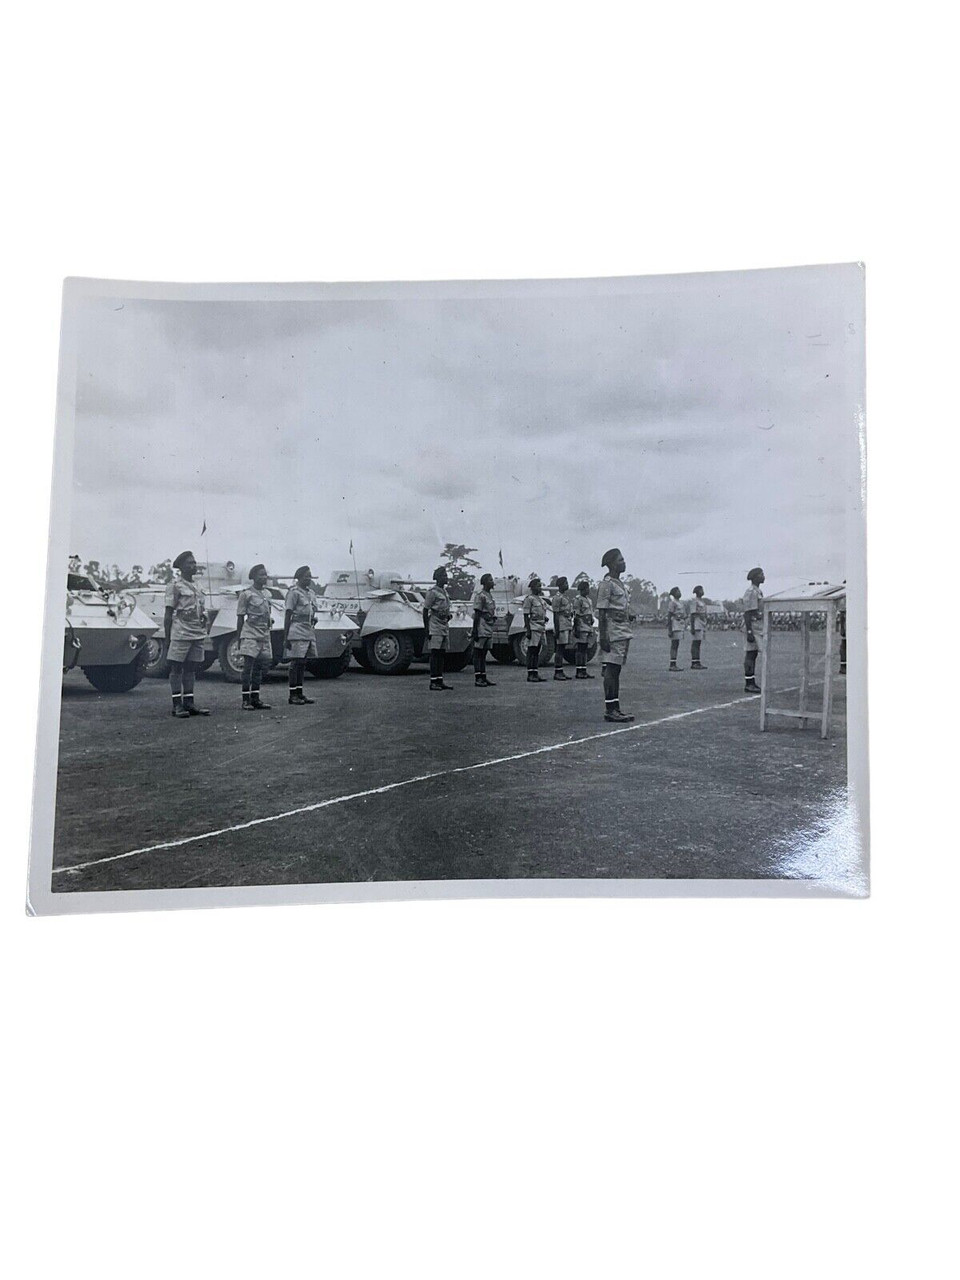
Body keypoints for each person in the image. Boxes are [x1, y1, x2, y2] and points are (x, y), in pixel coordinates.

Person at [164, 551, 211, 718]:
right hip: (181, 632)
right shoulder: (175, 585)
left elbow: (201, 608)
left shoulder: (198, 586)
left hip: (197, 632)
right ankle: (177, 705)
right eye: (189, 563)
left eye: (194, 562)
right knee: (176, 667)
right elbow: (168, 614)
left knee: (191, 668)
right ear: (181, 567)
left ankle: (189, 703)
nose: (193, 566)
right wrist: (167, 639)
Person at [597, 548, 636, 722]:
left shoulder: (620, 584)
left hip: (622, 629)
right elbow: (602, 612)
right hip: (612, 631)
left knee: (616, 669)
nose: (624, 562)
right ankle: (610, 710)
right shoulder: (607, 584)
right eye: (620, 560)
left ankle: (615, 708)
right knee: (611, 670)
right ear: (612, 564)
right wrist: (603, 636)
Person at [236, 564, 273, 710]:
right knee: (248, 667)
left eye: (265, 574)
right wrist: (239, 638)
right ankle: (246, 699)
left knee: (259, 667)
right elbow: (240, 617)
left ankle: (256, 698)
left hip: (263, 634)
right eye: (261, 575)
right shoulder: (246, 595)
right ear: (253, 577)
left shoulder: (267, 594)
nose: (264, 577)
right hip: (250, 633)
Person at [283, 565, 318, 706]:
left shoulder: (311, 593)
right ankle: (292, 695)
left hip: (308, 631)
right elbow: (288, 614)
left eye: (310, 576)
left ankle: (300, 692)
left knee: (303, 663)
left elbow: (312, 610)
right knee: (296, 663)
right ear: (298, 577)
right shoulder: (294, 593)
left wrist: (313, 619)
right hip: (296, 630)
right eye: (306, 576)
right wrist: (286, 637)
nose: (308, 578)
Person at [423, 566, 453, 691]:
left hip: (444, 625)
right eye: (444, 575)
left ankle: (439, 680)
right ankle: (433, 681)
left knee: (441, 654)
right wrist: (427, 629)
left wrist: (448, 615)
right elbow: (425, 610)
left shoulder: (444, 592)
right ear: (438, 578)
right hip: (435, 625)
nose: (446, 577)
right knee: (435, 654)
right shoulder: (432, 592)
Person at [471, 572, 497, 688]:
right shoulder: (480, 595)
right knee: (478, 653)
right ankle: (478, 678)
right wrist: (475, 630)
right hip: (481, 626)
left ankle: (483, 676)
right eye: (490, 580)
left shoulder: (489, 595)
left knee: (484, 653)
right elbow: (477, 614)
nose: (492, 582)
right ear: (485, 582)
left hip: (489, 626)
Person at [742, 567, 765, 693]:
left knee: (753, 654)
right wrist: (749, 631)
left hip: (757, 626)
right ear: (755, 577)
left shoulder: (758, 591)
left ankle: (751, 682)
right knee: (750, 654)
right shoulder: (751, 592)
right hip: (752, 626)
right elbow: (747, 613)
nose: (763, 576)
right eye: (761, 574)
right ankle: (749, 683)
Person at [522, 577, 548, 682]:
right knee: (531, 650)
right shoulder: (529, 599)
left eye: (540, 586)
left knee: (537, 651)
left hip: (541, 627)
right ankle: (530, 673)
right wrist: (528, 630)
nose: (540, 588)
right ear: (532, 587)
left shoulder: (540, 599)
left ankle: (535, 672)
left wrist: (545, 618)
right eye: (538, 586)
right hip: (533, 627)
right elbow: (526, 615)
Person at [551, 576, 574, 681]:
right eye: (565, 583)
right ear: (560, 585)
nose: (567, 585)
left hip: (566, 624)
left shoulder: (565, 597)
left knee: (562, 648)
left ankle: (560, 671)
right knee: (559, 649)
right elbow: (555, 614)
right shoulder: (557, 598)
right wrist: (557, 629)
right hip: (561, 625)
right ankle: (557, 672)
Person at [572, 579, 596, 678]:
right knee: (580, 648)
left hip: (588, 626)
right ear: (582, 589)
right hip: (581, 626)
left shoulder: (589, 600)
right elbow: (576, 615)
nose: (588, 590)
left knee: (585, 649)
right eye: (586, 588)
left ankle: (584, 670)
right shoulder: (578, 600)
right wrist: (577, 628)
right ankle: (579, 670)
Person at [666, 586, 686, 671]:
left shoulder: (681, 602)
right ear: (674, 594)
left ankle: (674, 663)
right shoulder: (672, 603)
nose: (680, 593)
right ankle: (672, 664)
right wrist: (670, 629)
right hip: (675, 624)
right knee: (674, 644)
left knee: (676, 644)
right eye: (678, 591)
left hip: (680, 624)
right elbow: (669, 615)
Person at [689, 585, 708, 669]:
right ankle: (694, 662)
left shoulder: (702, 601)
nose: (703, 591)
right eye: (701, 590)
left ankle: (697, 661)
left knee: (698, 643)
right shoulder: (695, 601)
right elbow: (692, 615)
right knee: (695, 643)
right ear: (697, 591)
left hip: (702, 624)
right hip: (697, 623)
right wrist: (692, 627)